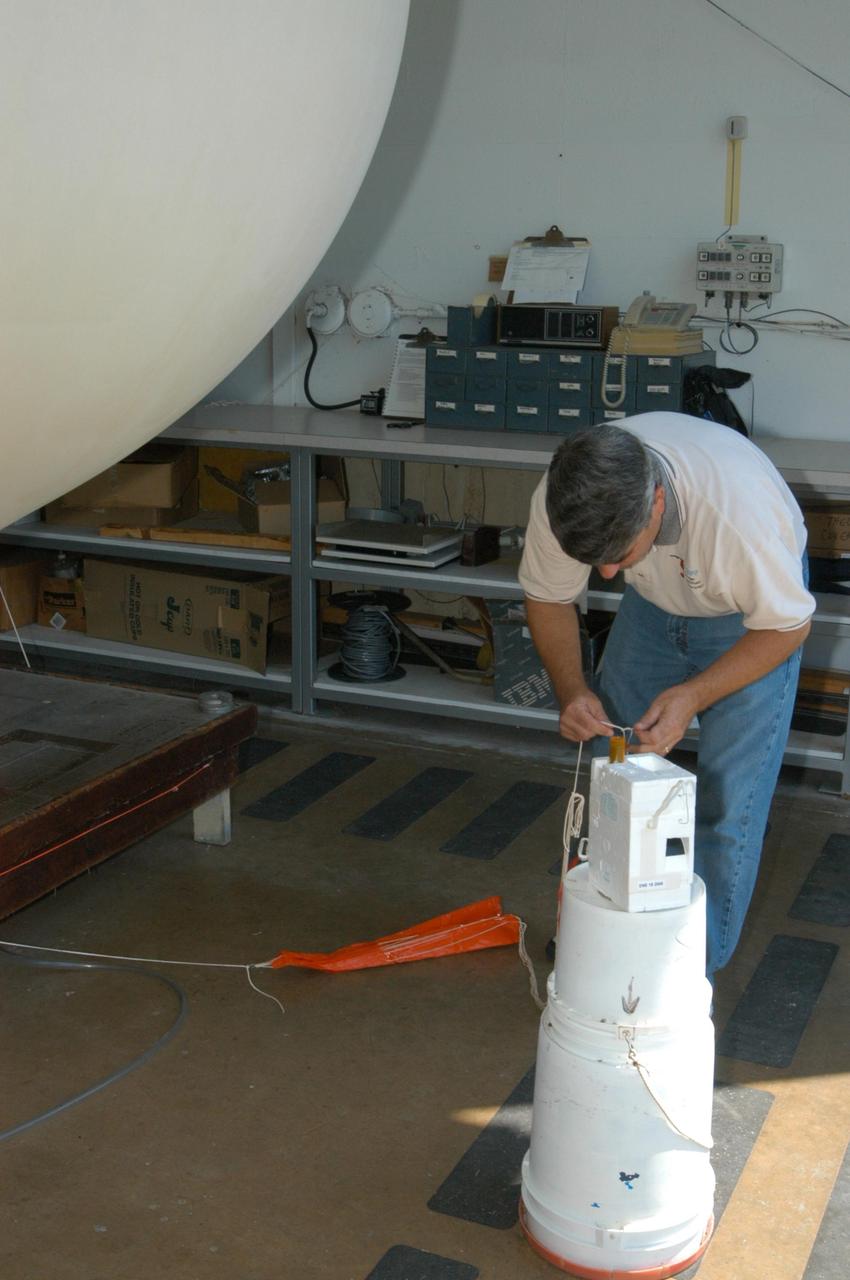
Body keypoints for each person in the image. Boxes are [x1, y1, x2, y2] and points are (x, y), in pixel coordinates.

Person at [519, 412, 814, 977]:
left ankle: (684, 972)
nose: (607, 574)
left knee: (728, 801)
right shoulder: (567, 497)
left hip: (752, 620)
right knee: (615, 773)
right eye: (594, 560)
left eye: (618, 554)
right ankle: (602, 936)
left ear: (656, 502)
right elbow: (549, 597)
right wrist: (572, 689)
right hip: (653, 606)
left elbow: (787, 626)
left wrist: (693, 696)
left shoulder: (740, 519)